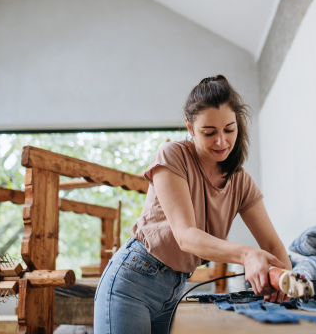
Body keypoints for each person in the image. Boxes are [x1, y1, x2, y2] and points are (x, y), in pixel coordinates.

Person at [94, 75, 292, 334]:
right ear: (189, 126)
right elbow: (186, 236)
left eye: (229, 129)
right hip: (132, 284)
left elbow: (272, 245)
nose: (221, 141)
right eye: (209, 132)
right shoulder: (172, 156)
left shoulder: (241, 181)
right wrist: (247, 255)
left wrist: (287, 283)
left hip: (175, 292)